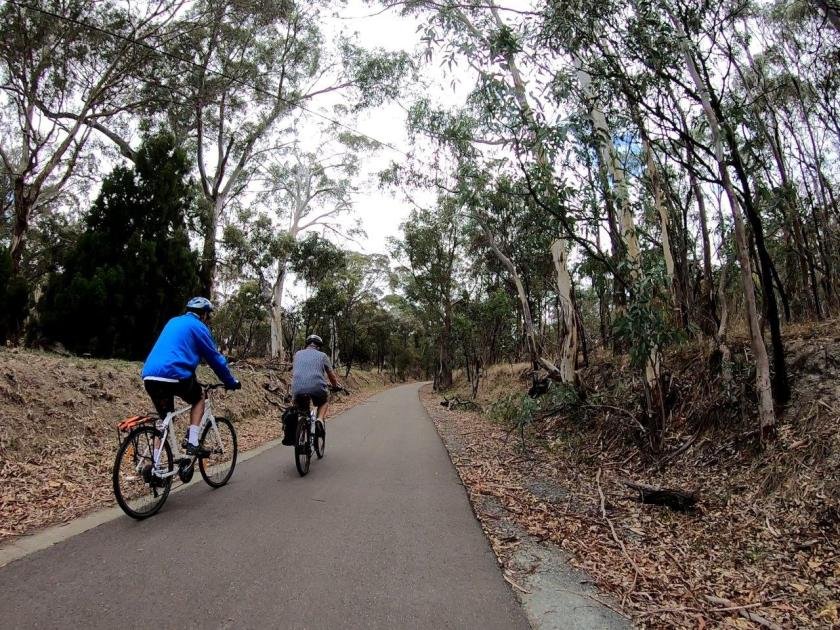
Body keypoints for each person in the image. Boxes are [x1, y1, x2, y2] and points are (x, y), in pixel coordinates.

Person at [141, 297, 241, 456]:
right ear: (205, 315)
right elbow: (215, 359)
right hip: (174, 374)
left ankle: (155, 465)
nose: (209, 320)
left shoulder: (173, 321)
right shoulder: (199, 327)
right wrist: (230, 381)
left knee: (165, 420)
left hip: (150, 376)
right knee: (199, 397)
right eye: (209, 316)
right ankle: (193, 442)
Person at [291, 334, 342, 426]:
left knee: (301, 409)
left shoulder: (297, 354)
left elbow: (296, 372)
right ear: (319, 346)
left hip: (297, 387)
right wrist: (335, 385)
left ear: (307, 344)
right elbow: (331, 375)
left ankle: (301, 427)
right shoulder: (323, 356)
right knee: (324, 401)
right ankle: (319, 419)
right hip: (316, 387)